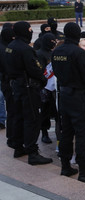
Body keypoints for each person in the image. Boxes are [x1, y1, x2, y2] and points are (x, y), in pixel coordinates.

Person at [51, 22, 85, 181]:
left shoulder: (57, 51)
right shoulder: (78, 53)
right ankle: (84, 171)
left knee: (66, 132)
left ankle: (65, 166)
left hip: (65, 95)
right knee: (82, 135)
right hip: (79, 97)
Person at [6, 21, 53, 165]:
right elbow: (34, 68)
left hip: (16, 86)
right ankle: (33, 152)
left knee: (19, 117)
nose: (31, 32)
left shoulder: (10, 46)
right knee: (32, 119)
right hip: (28, 87)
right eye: (29, 30)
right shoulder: (25, 49)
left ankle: (19, 147)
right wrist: (43, 80)